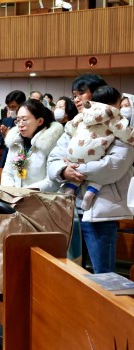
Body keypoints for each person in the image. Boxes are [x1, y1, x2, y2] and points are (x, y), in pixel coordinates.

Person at [48, 74, 134, 274]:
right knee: (71, 271)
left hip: (101, 211)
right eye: (74, 95)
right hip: (69, 210)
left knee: (102, 273)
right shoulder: (75, 125)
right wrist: (62, 170)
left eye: (81, 94)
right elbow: (54, 159)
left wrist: (75, 170)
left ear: (97, 94)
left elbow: (114, 166)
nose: (76, 99)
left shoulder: (118, 123)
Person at [63, 98, 134, 211]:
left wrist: (67, 169)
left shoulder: (84, 114)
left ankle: (70, 189)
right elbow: (125, 133)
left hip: (72, 154)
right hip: (94, 153)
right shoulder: (112, 117)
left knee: (81, 168)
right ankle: (90, 193)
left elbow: (69, 127)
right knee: (99, 171)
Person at [1, 99, 63, 191]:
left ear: (40, 121)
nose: (20, 124)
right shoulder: (15, 142)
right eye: (18, 120)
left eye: (24, 120)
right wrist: (11, 191)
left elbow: (53, 180)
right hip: (14, 199)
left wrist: (25, 193)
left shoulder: (51, 143)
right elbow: (7, 172)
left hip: (40, 199)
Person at [0, 90, 26, 167]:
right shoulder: (6, 120)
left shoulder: (27, 121)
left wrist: (12, 137)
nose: (11, 110)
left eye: (14, 107)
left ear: (22, 105)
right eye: (9, 107)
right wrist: (4, 137)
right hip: (6, 160)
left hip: (21, 160)